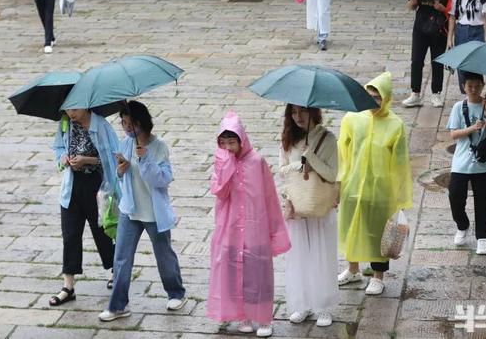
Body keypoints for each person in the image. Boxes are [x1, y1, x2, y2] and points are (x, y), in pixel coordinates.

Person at [99, 101, 187, 321]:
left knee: (164, 255)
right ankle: (118, 305)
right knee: (121, 258)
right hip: (131, 211)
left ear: (142, 123)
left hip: (154, 213)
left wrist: (145, 158)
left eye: (131, 123)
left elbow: (162, 180)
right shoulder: (126, 143)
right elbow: (120, 179)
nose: (127, 128)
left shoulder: (159, 147)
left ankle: (176, 293)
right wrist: (121, 170)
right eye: (124, 123)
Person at [207, 111, 291, 338]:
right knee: (232, 270)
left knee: (259, 272)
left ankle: (264, 317)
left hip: (256, 226)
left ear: (241, 139)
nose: (228, 146)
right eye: (223, 142)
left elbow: (270, 196)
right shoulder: (221, 161)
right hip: (231, 227)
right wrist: (224, 168)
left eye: (232, 141)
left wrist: (274, 229)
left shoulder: (257, 161)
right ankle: (241, 314)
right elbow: (219, 192)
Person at [336, 72, 413, 295]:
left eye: (378, 97)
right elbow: (343, 151)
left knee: (378, 233)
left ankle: (378, 276)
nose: (373, 101)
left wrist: (400, 195)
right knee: (352, 227)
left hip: (381, 189)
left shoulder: (395, 125)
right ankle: (352, 269)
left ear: (386, 98)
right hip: (353, 184)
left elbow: (400, 163)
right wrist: (340, 181)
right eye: (369, 96)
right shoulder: (352, 118)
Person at [50, 108, 119, 307]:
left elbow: (112, 157)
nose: (71, 113)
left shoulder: (101, 125)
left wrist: (87, 160)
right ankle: (68, 286)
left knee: (101, 231)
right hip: (71, 186)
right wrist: (63, 158)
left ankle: (114, 270)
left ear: (86, 106)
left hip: (96, 185)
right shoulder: (65, 123)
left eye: (75, 109)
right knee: (70, 235)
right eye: (68, 109)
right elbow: (58, 148)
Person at [278, 104, 339, 328]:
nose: (298, 117)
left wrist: (311, 159)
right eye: (293, 113)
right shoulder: (288, 139)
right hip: (297, 203)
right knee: (299, 254)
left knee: (322, 253)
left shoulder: (327, 139)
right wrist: (297, 165)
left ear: (313, 112)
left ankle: (323, 304)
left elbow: (332, 174)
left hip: (320, 203)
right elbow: (282, 169)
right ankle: (302, 303)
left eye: (302, 111)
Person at [446, 72, 486, 256]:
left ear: (483, 85)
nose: (474, 90)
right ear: (464, 87)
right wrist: (472, 128)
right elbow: (453, 134)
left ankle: (482, 237)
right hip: (461, 162)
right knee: (455, 196)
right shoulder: (458, 107)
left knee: (484, 201)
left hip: (485, 164)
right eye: (470, 86)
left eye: (477, 86)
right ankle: (462, 225)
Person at [402, 0, 450, 108]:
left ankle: (436, 94)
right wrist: (412, 3)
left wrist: (441, 8)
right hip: (420, 30)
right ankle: (415, 94)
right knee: (416, 61)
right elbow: (411, 6)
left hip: (439, 31)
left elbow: (452, 11)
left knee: (437, 63)